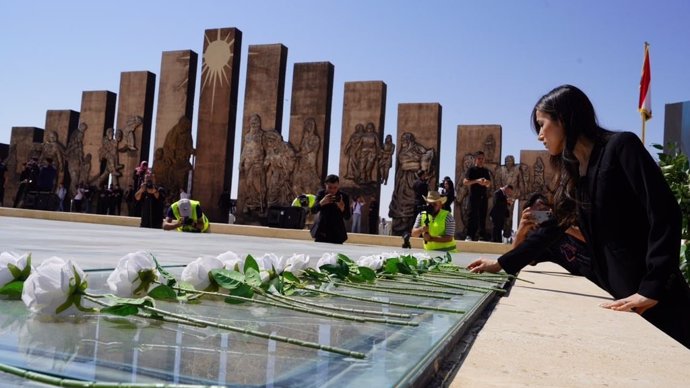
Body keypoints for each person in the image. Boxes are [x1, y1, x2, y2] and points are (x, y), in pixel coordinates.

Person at [469, 84, 690, 348]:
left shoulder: (622, 147)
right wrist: (501, 264)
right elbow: (552, 228)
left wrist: (651, 289)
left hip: (659, 301)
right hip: (622, 300)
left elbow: (665, 211)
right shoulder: (575, 173)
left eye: (542, 125)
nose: (540, 135)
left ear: (562, 119)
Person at [311, 174, 351, 244]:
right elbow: (313, 210)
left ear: (338, 185)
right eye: (329, 187)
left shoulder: (344, 197)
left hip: (337, 234)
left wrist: (342, 208)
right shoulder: (321, 194)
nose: (332, 190)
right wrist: (321, 203)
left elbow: (347, 217)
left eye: (335, 187)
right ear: (325, 185)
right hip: (322, 232)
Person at [463, 151, 491, 241]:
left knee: (482, 216)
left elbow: (489, 184)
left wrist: (485, 183)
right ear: (475, 159)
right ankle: (469, 235)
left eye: (482, 159)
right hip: (473, 196)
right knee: (472, 216)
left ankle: (481, 236)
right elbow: (465, 182)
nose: (481, 160)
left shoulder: (485, 171)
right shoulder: (471, 170)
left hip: (483, 196)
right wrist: (477, 181)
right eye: (479, 158)